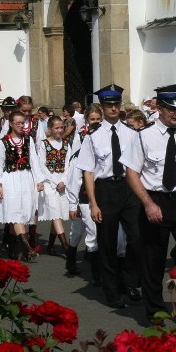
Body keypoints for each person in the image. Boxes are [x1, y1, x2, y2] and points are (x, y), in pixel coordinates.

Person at [123, 83, 176, 323]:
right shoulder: (143, 136)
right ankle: (155, 313)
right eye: (171, 109)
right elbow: (131, 172)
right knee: (153, 262)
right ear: (159, 107)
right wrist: (148, 203)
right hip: (154, 201)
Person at [77, 84, 142, 309]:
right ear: (102, 107)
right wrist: (93, 203)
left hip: (129, 188)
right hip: (106, 189)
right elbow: (88, 171)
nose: (113, 108)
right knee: (107, 242)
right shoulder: (92, 136)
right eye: (108, 104)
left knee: (137, 238)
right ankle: (112, 290)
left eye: (116, 104)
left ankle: (130, 281)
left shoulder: (132, 133)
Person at [0, 110, 39, 262]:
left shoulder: (28, 140)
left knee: (23, 212)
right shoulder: (3, 142)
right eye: (17, 123)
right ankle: (27, 248)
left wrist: (38, 180)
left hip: (25, 178)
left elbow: (34, 162)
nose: (21, 126)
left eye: (23, 123)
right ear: (11, 124)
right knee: (14, 212)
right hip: (10, 179)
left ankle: (13, 251)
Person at [66, 103, 103, 281]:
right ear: (86, 121)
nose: (95, 122)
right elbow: (74, 177)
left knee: (95, 231)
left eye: (98, 119)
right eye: (92, 119)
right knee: (79, 230)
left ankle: (98, 271)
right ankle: (72, 256)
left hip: (102, 193)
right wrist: (73, 204)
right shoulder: (81, 142)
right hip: (84, 194)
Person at [35, 116, 72, 258]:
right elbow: (42, 165)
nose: (60, 130)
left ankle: (50, 246)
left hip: (63, 182)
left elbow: (68, 165)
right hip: (50, 183)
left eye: (62, 127)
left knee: (58, 215)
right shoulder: (44, 144)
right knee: (55, 214)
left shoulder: (66, 144)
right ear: (50, 129)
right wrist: (55, 182)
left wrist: (63, 181)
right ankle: (66, 247)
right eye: (57, 128)